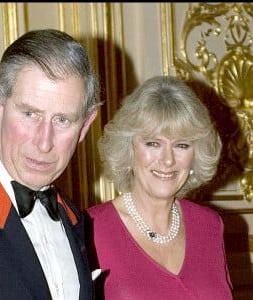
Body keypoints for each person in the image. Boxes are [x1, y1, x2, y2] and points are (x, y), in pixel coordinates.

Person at [0, 29, 101, 300]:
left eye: (62, 120)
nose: (44, 143)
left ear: (84, 127)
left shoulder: (75, 219)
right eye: (30, 114)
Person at [86, 75, 233, 299]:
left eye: (181, 145)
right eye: (153, 143)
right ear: (129, 148)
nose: (167, 160)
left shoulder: (210, 225)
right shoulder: (91, 230)